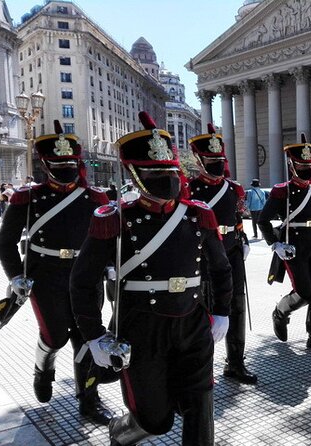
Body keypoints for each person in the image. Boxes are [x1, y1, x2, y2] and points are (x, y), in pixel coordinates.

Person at [70, 112, 233, 445]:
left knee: (200, 413)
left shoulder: (197, 214)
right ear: (134, 173)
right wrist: (94, 335)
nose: (167, 179)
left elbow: (220, 268)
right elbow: (83, 281)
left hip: (192, 324)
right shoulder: (114, 219)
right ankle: (122, 430)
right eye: (155, 173)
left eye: (170, 171)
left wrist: (222, 311)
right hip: (142, 328)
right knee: (156, 420)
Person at [0, 121, 114, 424]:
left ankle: (89, 399)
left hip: (85, 276)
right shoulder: (28, 197)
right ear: (46, 164)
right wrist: (15, 277)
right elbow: (5, 243)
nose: (65, 169)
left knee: (87, 338)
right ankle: (43, 367)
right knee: (56, 335)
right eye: (58, 163)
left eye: (70, 163)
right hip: (46, 275)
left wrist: (111, 267)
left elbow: (109, 240)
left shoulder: (96, 198)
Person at [189, 124, 257, 385]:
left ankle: (236, 363)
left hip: (231, 250)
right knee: (204, 308)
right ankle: (202, 365)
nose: (216, 165)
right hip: (202, 255)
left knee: (236, 306)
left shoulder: (233, 188)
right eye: (211, 160)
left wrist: (244, 239)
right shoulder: (189, 189)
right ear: (198, 159)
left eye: (219, 160)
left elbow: (238, 217)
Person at [258, 137, 311, 354]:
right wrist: (275, 244)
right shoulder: (282, 191)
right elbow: (263, 220)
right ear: (291, 165)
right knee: (304, 292)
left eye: (308, 166)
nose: (306, 170)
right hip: (294, 245)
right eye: (301, 166)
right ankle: (281, 312)